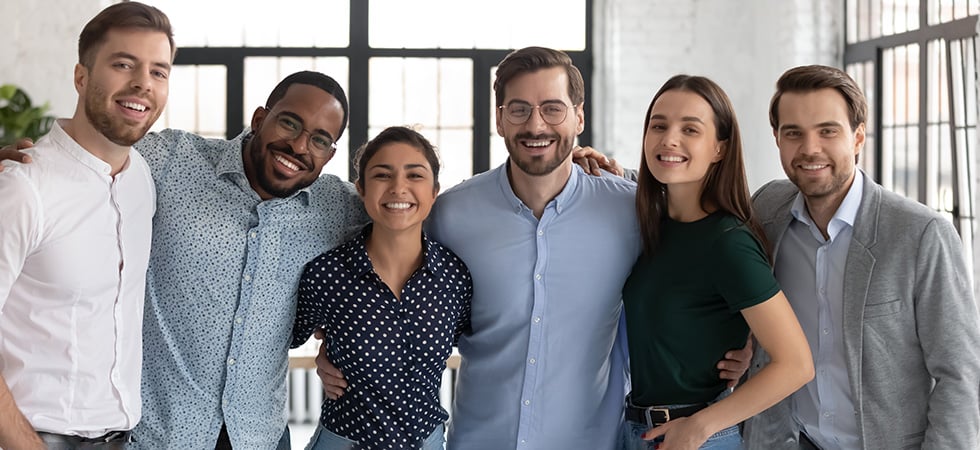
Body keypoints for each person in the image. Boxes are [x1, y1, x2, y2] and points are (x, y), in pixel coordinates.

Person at [316, 46, 753, 450]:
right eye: (520, 110)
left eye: (553, 109)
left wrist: (744, 337)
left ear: (579, 117)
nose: (536, 125)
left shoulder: (632, 210)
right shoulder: (450, 214)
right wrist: (339, 346)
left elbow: (697, 274)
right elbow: (388, 276)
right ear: (499, 119)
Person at [1, 71, 369, 448]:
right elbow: (85, 157)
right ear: (260, 119)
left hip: (261, 438)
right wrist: (20, 169)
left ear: (330, 154)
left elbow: (409, 226)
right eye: (290, 123)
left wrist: (350, 342)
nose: (299, 146)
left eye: (320, 140)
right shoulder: (172, 160)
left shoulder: (335, 208)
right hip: (157, 438)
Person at [741, 65, 980, 449]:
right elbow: (701, 206)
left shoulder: (921, 235)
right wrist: (617, 175)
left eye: (827, 131)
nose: (810, 148)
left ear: (858, 136)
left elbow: (961, 375)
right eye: (793, 133)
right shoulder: (768, 209)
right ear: (777, 139)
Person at [0, 2, 174, 449]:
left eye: (159, 71)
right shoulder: (24, 186)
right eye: (123, 64)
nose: (143, 83)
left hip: (122, 437)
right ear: (81, 77)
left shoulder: (142, 180)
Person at [619, 75, 813, 450]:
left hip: (695, 436)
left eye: (690, 129)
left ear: (719, 149)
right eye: (658, 125)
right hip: (637, 429)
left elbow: (796, 363)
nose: (669, 139)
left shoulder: (727, 241)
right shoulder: (653, 226)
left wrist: (699, 427)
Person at [292, 126, 472, 450]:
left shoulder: (455, 278)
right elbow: (277, 343)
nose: (398, 188)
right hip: (343, 441)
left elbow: (486, 344)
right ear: (360, 189)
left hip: (426, 441)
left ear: (435, 191)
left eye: (415, 175)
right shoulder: (327, 274)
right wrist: (328, 355)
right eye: (382, 175)